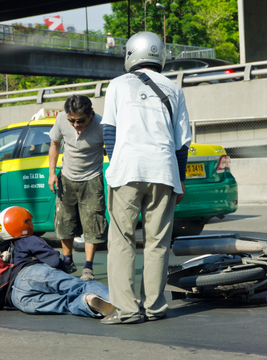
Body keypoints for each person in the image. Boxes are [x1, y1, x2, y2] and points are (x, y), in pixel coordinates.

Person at [100, 32, 192, 324]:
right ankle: (153, 307)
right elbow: (182, 143)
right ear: (159, 55)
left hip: (127, 170)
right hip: (164, 171)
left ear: (130, 54)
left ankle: (126, 310)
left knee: (122, 241)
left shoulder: (117, 85)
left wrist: (116, 164)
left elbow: (109, 132)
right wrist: (180, 179)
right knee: (158, 243)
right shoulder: (175, 90)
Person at [0, 206, 115, 318]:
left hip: (17, 297)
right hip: (32, 273)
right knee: (81, 286)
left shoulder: (5, 248)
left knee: (65, 303)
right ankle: (120, 301)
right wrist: (63, 271)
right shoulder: (29, 240)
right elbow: (53, 260)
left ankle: (87, 301)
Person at [48, 95, 108, 282]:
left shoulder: (102, 125)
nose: (75, 124)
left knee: (93, 222)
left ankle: (88, 267)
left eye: (80, 120)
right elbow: (54, 144)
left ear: (91, 114)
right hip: (67, 177)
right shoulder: (61, 119)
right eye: (71, 120)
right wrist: (52, 173)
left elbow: (113, 150)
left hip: (92, 179)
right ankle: (68, 260)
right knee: (64, 222)